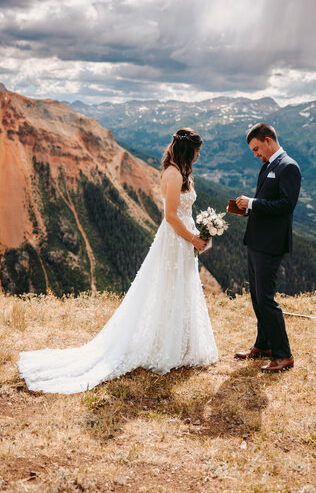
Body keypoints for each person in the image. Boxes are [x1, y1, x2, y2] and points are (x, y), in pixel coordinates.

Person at [18, 128, 218, 394]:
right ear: (187, 150)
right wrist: (193, 238)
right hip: (175, 239)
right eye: (196, 150)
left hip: (185, 238)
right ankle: (168, 345)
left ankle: (182, 343)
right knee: (169, 289)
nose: (198, 155)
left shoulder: (180, 172)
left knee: (181, 287)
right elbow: (170, 216)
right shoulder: (172, 174)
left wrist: (202, 232)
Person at [233, 123, 301, 372]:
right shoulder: (268, 166)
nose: (255, 154)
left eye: (256, 148)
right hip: (256, 241)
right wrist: (248, 208)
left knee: (266, 299)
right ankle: (263, 345)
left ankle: (284, 355)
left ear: (268, 140)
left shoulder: (289, 167)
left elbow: (285, 205)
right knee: (257, 297)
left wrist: (252, 203)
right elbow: (266, 203)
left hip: (271, 244)